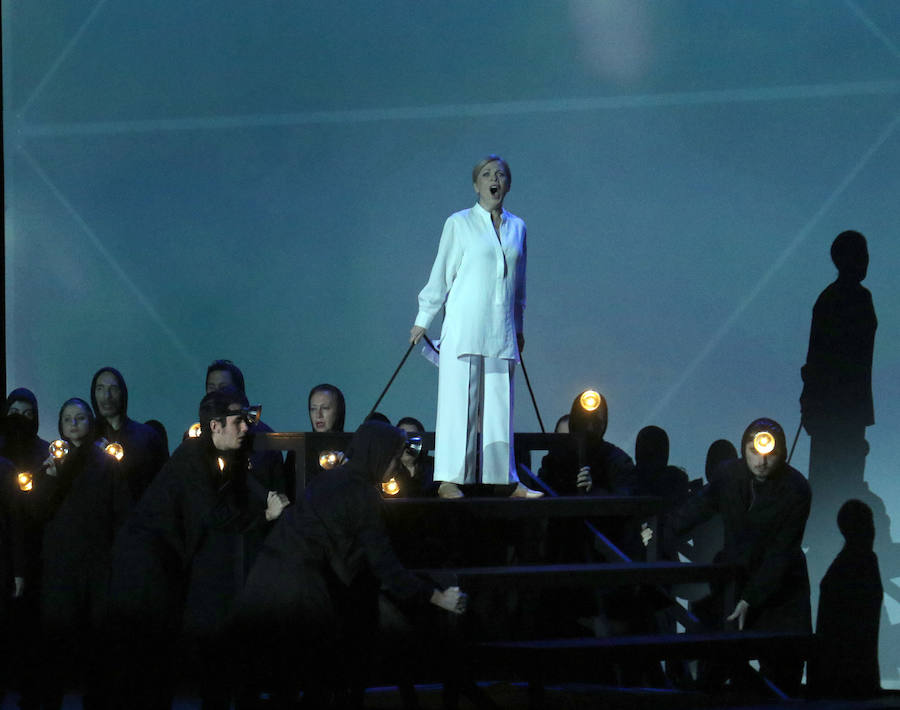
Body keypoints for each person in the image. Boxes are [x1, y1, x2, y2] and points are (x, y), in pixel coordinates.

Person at [235, 421, 466, 705]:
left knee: (271, 682)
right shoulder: (362, 494)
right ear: (378, 454)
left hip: (265, 582)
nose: (397, 467)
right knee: (308, 679)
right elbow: (386, 566)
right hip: (302, 595)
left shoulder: (328, 479)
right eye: (394, 458)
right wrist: (436, 596)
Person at [107, 387, 289, 710]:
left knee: (155, 662)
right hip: (145, 568)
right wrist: (266, 514)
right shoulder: (193, 456)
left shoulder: (213, 455)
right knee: (147, 663)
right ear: (215, 426)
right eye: (238, 421)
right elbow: (213, 516)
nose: (246, 427)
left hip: (159, 564)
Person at [410, 155, 539, 499]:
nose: (494, 179)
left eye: (500, 175)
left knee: (500, 406)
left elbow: (519, 286)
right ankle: (450, 479)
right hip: (464, 328)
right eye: (486, 174)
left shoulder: (518, 227)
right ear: (476, 184)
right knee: (458, 405)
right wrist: (424, 319)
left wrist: (520, 327)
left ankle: (504, 480)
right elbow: (442, 273)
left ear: (507, 185)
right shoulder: (459, 223)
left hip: (501, 329)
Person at [669, 418, 812, 696]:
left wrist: (751, 598)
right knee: (721, 658)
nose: (761, 461)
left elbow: (781, 552)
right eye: (754, 452)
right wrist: (658, 530)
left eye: (770, 454)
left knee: (782, 669)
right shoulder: (728, 476)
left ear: (781, 453)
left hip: (781, 591)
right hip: (736, 576)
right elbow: (694, 511)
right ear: (743, 449)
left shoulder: (797, 489)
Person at [34, 398, 129, 709]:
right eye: (67, 419)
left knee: (97, 642)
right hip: (60, 563)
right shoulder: (49, 461)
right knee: (55, 640)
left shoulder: (106, 462)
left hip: (97, 562)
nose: (74, 424)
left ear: (91, 423)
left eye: (80, 418)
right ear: (60, 425)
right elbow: (38, 512)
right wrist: (48, 479)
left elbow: (119, 511)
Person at [808, 499, 882, 698]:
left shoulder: (844, 564)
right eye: (869, 524)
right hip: (848, 674)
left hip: (836, 673)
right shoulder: (861, 562)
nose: (873, 530)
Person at [205, 359, 285, 496]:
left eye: (223, 388)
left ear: (239, 391)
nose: (216, 395)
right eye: (211, 388)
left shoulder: (264, 439)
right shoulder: (200, 433)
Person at [90, 367, 168, 503]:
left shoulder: (146, 436)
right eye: (100, 388)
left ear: (122, 393)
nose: (106, 396)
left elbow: (163, 483)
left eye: (113, 388)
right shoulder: (87, 438)